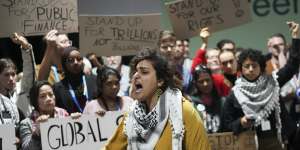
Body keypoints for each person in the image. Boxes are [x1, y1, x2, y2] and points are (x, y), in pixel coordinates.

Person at [103, 48, 211, 149]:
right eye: (135, 72)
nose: (136, 76)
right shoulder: (131, 115)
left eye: (144, 72)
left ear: (160, 80)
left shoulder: (184, 111)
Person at [221, 22, 300, 150]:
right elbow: (226, 125)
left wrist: (296, 37)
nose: (251, 69)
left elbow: (293, 65)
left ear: (261, 67)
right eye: (247, 66)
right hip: (251, 143)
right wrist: (241, 122)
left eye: (255, 65)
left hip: (280, 140)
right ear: (241, 69)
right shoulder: (235, 94)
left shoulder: (272, 82)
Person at [19, 80, 80, 150]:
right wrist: (37, 132)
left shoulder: (65, 115)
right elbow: (27, 148)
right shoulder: (26, 124)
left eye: (51, 95)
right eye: (42, 96)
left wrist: (76, 124)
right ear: (35, 100)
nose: (48, 99)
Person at [53, 47, 97, 113]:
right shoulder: (57, 88)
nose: (76, 62)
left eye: (79, 59)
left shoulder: (94, 80)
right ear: (64, 64)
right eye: (71, 60)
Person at [191, 64, 229, 133]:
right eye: (201, 81)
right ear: (195, 83)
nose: (205, 84)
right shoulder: (191, 104)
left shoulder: (223, 102)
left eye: (207, 80)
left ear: (212, 80)